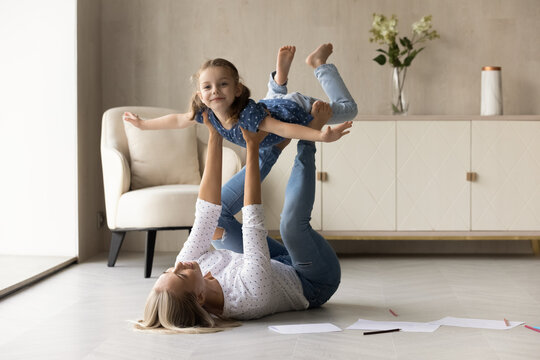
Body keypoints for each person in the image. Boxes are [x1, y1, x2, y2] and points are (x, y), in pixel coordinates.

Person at [135, 110, 343, 333]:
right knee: (290, 228)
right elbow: (253, 219)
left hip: (274, 266)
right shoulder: (249, 296)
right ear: (200, 297)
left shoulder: (188, 267)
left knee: (216, 221)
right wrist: (251, 148)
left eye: (167, 270)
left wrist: (214, 133)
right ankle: (309, 137)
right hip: (311, 281)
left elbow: (206, 213)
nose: (178, 264)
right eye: (180, 275)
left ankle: (273, 148)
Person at [123, 43, 356, 148]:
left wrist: (319, 135)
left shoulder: (248, 115)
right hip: (272, 104)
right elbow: (177, 120)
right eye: (207, 87)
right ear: (200, 95)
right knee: (271, 104)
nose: (214, 90)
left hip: (296, 109)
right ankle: (279, 80)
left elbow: (283, 129)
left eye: (222, 84)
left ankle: (319, 65)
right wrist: (143, 125)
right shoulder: (206, 112)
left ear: (237, 89)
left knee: (349, 109)